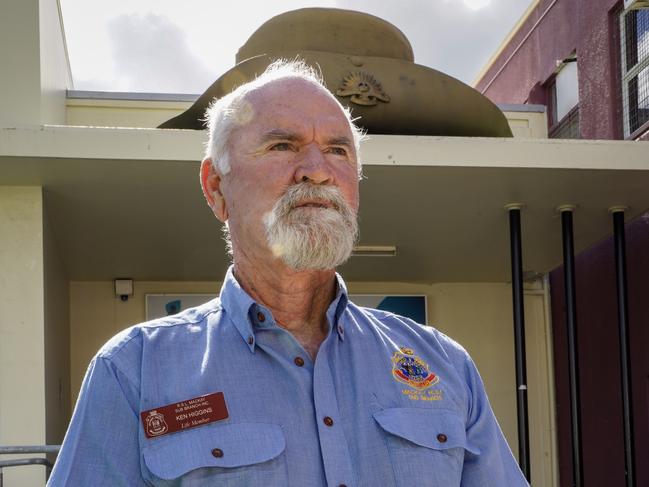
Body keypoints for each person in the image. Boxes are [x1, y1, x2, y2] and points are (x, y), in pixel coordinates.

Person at [48, 61, 528, 486]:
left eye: (339, 151)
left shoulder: (445, 365)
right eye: (283, 145)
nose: (317, 171)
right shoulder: (133, 370)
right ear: (216, 187)